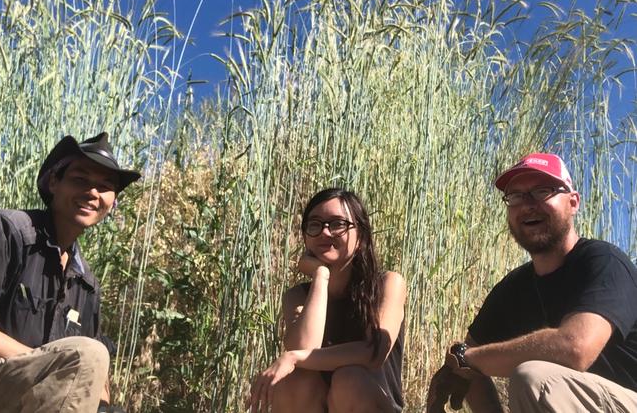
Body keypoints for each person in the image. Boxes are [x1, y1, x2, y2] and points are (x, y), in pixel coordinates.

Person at [0, 132, 140, 413]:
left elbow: (98, 374)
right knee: (83, 356)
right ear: (54, 182)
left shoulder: (87, 284)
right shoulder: (7, 230)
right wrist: (56, 366)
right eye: (80, 179)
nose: (93, 192)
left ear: (112, 202)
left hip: (39, 399)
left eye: (106, 186)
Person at [426, 152, 637, 412]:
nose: (527, 204)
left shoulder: (604, 261)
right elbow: (467, 361)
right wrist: (462, 365)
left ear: (573, 203)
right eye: (515, 196)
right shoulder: (513, 288)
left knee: (536, 379)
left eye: (542, 191)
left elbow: (575, 347)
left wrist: (467, 359)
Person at [249, 188, 407, 413]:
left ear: (361, 236)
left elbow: (374, 352)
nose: (324, 232)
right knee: (295, 381)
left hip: (372, 403)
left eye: (337, 224)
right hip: (318, 405)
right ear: (305, 237)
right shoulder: (297, 296)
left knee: (349, 380)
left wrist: (294, 357)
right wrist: (320, 276)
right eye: (315, 225)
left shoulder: (389, 284)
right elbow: (305, 347)